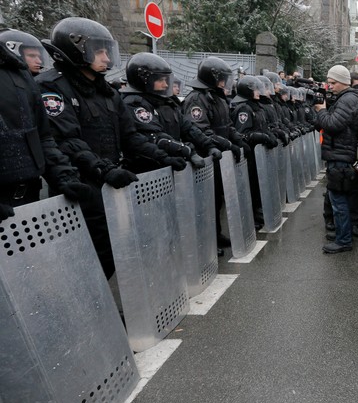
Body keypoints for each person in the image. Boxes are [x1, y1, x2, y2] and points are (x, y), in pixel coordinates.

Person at [38, 17, 185, 278]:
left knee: (111, 252)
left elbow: (131, 137)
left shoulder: (107, 92)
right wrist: (102, 170)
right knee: (84, 257)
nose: (106, 58)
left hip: (108, 182)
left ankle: (100, 309)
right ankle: (88, 312)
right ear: (77, 49)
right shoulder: (52, 87)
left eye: (108, 51)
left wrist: (164, 156)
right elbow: (67, 140)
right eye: (100, 51)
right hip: (80, 184)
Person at [0, 28, 91, 221]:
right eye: (31, 55)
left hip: (29, 199)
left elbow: (42, 137)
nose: (38, 61)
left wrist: (65, 177)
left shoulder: (21, 76)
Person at [182, 56, 251, 248]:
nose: (224, 83)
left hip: (219, 156)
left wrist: (238, 141)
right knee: (204, 202)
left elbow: (227, 126)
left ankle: (216, 234)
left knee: (216, 198)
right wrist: (225, 144)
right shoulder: (197, 99)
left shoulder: (219, 99)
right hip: (205, 155)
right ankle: (205, 241)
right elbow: (200, 130)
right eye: (221, 78)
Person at [314, 65, 358, 254]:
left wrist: (321, 110)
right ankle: (345, 233)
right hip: (340, 155)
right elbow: (322, 124)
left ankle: (343, 239)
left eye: (333, 83)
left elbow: (332, 125)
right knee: (342, 197)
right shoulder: (345, 99)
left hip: (341, 156)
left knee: (338, 199)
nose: (330, 86)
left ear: (343, 82)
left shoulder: (348, 99)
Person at [231, 75, 279, 230]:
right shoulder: (244, 108)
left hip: (258, 155)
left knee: (258, 184)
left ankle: (258, 211)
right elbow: (242, 133)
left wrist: (269, 135)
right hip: (249, 155)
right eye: (256, 89)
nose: (259, 92)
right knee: (250, 185)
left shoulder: (256, 106)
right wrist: (260, 137)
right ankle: (252, 216)